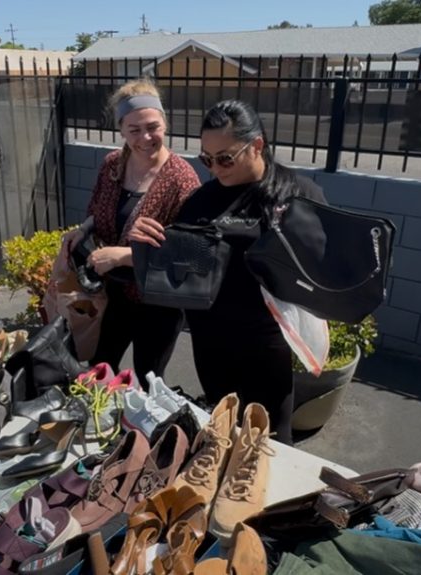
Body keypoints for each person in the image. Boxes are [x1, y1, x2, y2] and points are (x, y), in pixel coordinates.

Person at [129, 99, 327, 443]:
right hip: (211, 342)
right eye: (207, 159)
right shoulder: (201, 200)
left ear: (258, 146)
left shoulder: (298, 194)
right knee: (223, 435)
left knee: (272, 445)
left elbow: (322, 270)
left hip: (267, 343)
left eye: (225, 158)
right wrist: (146, 245)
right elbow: (182, 267)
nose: (216, 169)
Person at [62, 79, 200, 385]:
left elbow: (189, 252)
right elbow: (97, 212)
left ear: (166, 123)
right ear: (121, 129)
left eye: (153, 126)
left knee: (148, 378)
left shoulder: (182, 180)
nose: (145, 137)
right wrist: (80, 231)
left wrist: (123, 255)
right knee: (99, 365)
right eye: (134, 129)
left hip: (158, 304)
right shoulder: (113, 164)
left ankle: (142, 432)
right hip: (112, 294)